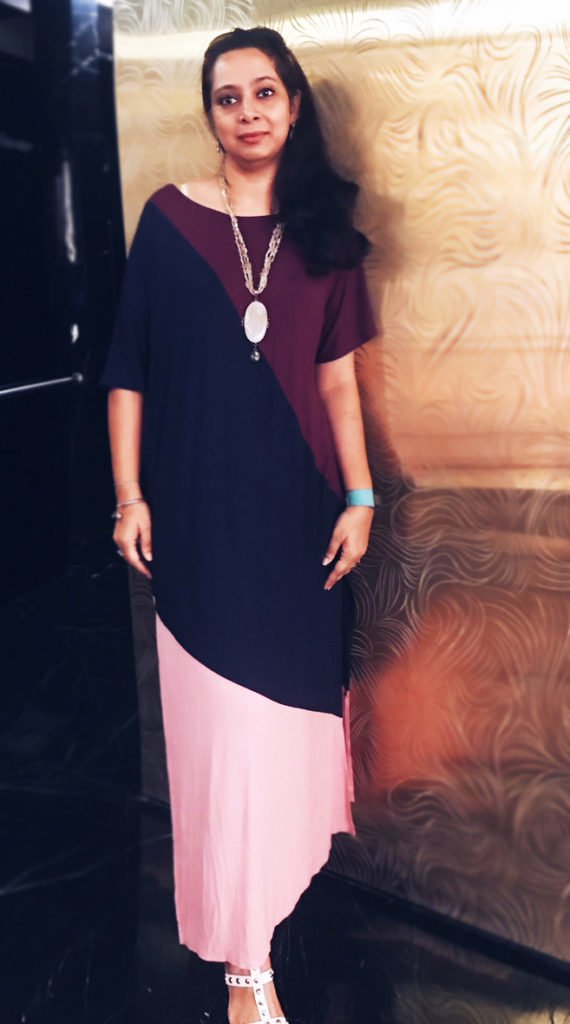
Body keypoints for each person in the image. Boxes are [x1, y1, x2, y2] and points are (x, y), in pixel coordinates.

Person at [99, 26, 378, 1024]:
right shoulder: (169, 222)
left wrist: (361, 499)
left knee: (280, 735)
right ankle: (244, 973)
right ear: (210, 114)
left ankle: (268, 909)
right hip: (200, 528)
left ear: (293, 106)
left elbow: (339, 386)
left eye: (266, 92)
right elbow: (127, 371)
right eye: (228, 96)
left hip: (299, 526)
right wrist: (130, 495)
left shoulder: (326, 237)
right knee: (220, 744)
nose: (249, 111)